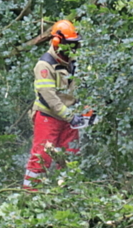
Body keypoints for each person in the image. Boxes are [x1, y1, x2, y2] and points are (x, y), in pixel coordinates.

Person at [23, 20, 88, 191]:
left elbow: (80, 88)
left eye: (74, 44)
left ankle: (67, 193)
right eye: (69, 44)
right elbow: (49, 98)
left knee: (70, 157)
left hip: (69, 118)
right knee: (41, 158)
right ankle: (29, 195)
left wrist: (85, 109)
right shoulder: (44, 65)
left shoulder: (72, 61)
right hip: (48, 117)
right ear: (58, 42)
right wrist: (71, 116)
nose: (72, 48)